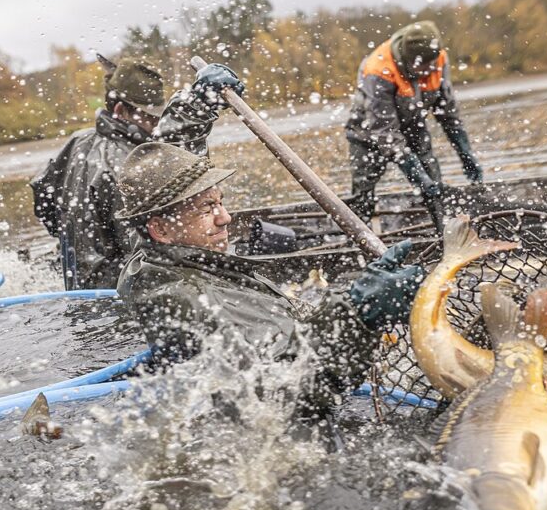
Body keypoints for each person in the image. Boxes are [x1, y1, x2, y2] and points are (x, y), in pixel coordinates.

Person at [114, 142, 424, 414]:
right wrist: (356, 315)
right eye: (207, 209)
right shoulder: (189, 298)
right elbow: (282, 391)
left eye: (220, 202)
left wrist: (191, 114)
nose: (225, 218)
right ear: (160, 229)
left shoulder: (157, 256)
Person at [30, 56, 244, 289]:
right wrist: (195, 109)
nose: (157, 124)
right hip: (120, 289)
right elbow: (149, 243)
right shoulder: (130, 165)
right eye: (151, 117)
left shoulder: (77, 141)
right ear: (121, 110)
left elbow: (44, 205)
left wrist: (74, 240)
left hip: (78, 283)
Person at [344, 20, 483, 227]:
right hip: (368, 132)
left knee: (434, 182)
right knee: (363, 189)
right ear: (408, 58)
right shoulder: (379, 69)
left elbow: (447, 112)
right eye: (422, 67)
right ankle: (361, 236)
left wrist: (466, 154)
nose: (428, 71)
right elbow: (385, 133)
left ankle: (442, 231)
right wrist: (417, 175)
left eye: (431, 65)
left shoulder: (438, 58)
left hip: (413, 125)